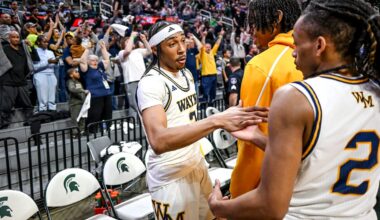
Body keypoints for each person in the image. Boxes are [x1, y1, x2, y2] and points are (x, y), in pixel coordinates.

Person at [208, 0, 380, 219]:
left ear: (319, 46)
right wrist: (259, 138)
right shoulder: (374, 91)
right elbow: (322, 156)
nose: (292, 53)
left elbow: (270, 205)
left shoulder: (296, 96)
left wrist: (219, 207)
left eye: (297, 44)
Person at [136, 21, 267, 219]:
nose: (181, 49)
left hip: (196, 163)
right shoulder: (151, 83)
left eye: (182, 41)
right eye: (172, 44)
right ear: (155, 49)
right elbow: (158, 141)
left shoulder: (187, 74)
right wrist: (216, 121)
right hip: (170, 175)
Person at [229, 0, 303, 199]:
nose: (250, 31)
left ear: (277, 18)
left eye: (254, 22)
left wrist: (238, 197)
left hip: (272, 189)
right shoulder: (314, 55)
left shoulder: (261, 65)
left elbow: (251, 141)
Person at [0, 31, 34, 128]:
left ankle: (29, 120)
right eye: (13, 37)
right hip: (8, 81)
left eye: (17, 37)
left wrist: (30, 46)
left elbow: (34, 59)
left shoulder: (23, 49)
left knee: (27, 104)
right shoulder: (5, 49)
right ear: (9, 39)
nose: (16, 39)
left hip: (21, 81)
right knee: (5, 106)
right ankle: (3, 123)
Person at [79, 41, 112, 132]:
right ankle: (91, 132)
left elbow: (107, 60)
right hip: (95, 96)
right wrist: (87, 49)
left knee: (108, 114)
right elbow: (82, 61)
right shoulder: (86, 70)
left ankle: (107, 130)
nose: (95, 62)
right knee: (95, 115)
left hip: (106, 94)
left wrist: (103, 48)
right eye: (93, 60)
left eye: (97, 60)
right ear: (88, 61)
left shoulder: (100, 67)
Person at [32, 35, 58, 112]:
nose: (46, 44)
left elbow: (53, 64)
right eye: (44, 42)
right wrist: (48, 62)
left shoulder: (50, 52)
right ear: (38, 42)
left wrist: (54, 62)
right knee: (42, 96)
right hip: (40, 74)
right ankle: (43, 112)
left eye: (47, 42)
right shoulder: (35, 51)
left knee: (52, 96)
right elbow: (35, 67)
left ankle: (52, 111)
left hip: (51, 73)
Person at [199, 29, 225, 105]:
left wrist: (221, 36)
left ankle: (211, 107)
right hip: (206, 77)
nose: (208, 48)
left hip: (214, 76)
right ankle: (205, 108)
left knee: (213, 94)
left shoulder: (212, 53)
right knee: (206, 95)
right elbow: (202, 45)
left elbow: (217, 44)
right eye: (207, 47)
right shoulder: (203, 54)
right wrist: (203, 36)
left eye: (209, 47)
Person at [66, 68, 88, 134]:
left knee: (82, 118)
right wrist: (83, 90)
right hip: (75, 104)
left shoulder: (78, 82)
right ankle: (75, 133)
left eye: (78, 72)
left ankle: (82, 131)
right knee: (75, 119)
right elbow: (71, 89)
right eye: (76, 72)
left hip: (82, 103)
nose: (78, 73)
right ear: (71, 75)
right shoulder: (70, 82)